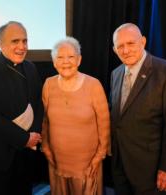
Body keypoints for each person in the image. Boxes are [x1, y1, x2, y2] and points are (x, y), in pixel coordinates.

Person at [110, 23, 166, 195]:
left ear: (143, 42)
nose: (125, 50)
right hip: (120, 165)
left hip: (151, 170)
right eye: (120, 46)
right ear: (114, 50)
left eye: (131, 43)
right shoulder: (116, 74)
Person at [0, 21, 43, 195]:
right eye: (15, 41)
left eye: (25, 41)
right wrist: (24, 138)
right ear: (0, 44)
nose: (22, 46)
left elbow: (38, 105)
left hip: (25, 154)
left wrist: (33, 136)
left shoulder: (31, 67)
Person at [41, 36, 110, 195]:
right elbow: (44, 121)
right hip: (57, 160)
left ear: (79, 60)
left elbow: (104, 124)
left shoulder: (94, 85)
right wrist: (45, 147)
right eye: (60, 57)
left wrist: (99, 156)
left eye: (71, 57)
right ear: (54, 62)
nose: (66, 61)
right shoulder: (48, 84)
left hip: (87, 163)